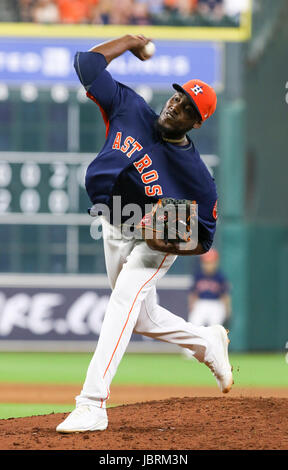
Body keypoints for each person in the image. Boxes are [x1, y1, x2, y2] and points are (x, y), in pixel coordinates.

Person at [56, 34, 233, 433]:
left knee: (122, 301)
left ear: (196, 122)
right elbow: (87, 63)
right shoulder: (129, 106)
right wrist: (130, 41)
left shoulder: (198, 179)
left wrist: (167, 242)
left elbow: (204, 238)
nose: (178, 105)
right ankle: (207, 342)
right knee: (142, 318)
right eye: (178, 97)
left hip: (152, 239)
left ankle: (92, 403)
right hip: (112, 223)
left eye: (188, 108)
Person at [183, 248, 231, 358]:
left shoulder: (220, 277)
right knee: (194, 324)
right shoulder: (198, 275)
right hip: (201, 303)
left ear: (216, 262)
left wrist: (227, 309)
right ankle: (190, 353)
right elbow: (193, 293)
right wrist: (192, 305)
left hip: (216, 304)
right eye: (206, 262)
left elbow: (225, 295)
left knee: (215, 329)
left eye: (210, 262)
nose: (208, 265)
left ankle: (215, 354)